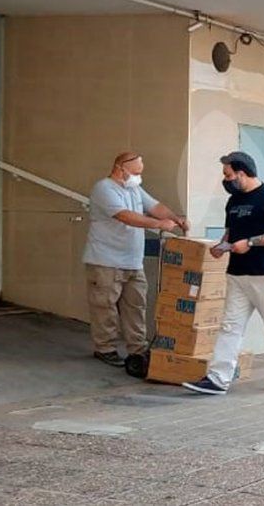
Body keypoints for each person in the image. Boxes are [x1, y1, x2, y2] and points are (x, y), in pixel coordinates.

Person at [183, 151, 264, 395]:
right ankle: (218, 379)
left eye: (228, 174)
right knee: (230, 327)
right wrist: (222, 246)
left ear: (242, 173)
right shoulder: (233, 201)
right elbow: (230, 232)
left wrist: (251, 242)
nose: (225, 179)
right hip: (237, 274)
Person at [83, 152, 187, 368]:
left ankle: (137, 350)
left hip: (132, 261)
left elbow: (155, 207)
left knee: (136, 306)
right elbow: (124, 216)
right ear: (121, 169)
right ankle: (105, 348)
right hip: (106, 261)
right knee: (105, 307)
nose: (139, 177)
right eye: (136, 172)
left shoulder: (134, 188)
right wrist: (158, 225)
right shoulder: (104, 188)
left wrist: (175, 218)